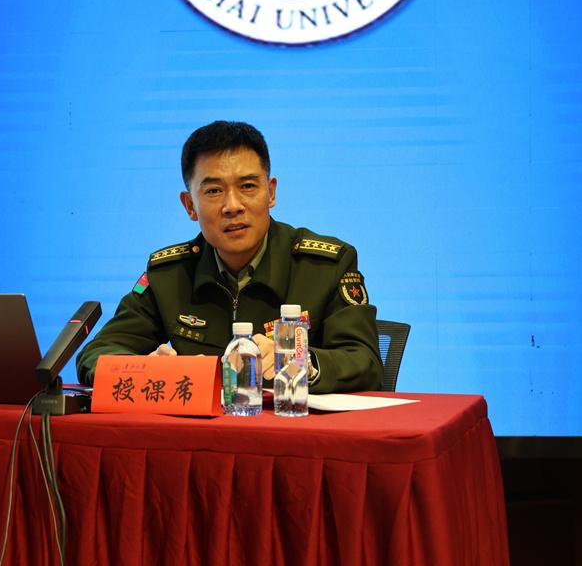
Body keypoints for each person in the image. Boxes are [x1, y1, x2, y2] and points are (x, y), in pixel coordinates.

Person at [75, 120, 382, 393]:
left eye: (247, 186)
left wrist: (299, 362)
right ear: (190, 206)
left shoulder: (324, 266)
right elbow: (97, 352)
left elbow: (364, 362)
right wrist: (146, 370)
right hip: (201, 433)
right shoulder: (169, 275)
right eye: (213, 191)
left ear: (271, 193)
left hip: (294, 429)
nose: (232, 206)